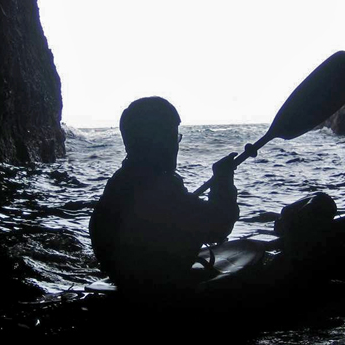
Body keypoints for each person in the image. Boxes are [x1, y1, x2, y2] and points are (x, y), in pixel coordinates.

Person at [89, 96, 239, 303]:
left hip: (124, 281)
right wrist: (223, 181)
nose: (175, 145)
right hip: (159, 293)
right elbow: (219, 226)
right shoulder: (163, 188)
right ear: (162, 141)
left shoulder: (119, 183)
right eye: (173, 136)